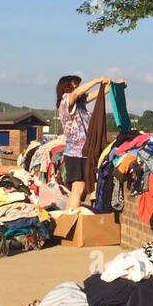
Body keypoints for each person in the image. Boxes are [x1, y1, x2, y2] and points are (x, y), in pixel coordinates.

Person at [56, 74, 114, 209]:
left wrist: (114, 85)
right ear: (68, 86)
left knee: (78, 191)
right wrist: (96, 80)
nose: (79, 86)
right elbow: (76, 94)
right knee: (78, 189)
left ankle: (69, 219)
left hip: (83, 152)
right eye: (76, 84)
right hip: (75, 153)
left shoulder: (80, 104)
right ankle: (73, 220)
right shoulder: (65, 101)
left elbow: (98, 93)